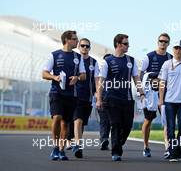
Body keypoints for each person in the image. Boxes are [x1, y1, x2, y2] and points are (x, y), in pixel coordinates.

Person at [96, 34, 144, 161]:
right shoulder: (108, 61)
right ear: (118, 44)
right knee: (115, 124)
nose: (128, 46)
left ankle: (117, 143)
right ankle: (116, 152)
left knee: (127, 126)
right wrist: (99, 99)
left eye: (128, 43)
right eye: (126, 43)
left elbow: (136, 78)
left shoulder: (131, 61)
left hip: (127, 99)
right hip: (111, 98)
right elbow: (101, 81)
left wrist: (141, 92)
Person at [42, 30, 86, 161]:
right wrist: (54, 77)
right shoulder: (54, 55)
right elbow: (44, 73)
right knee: (57, 117)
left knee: (65, 124)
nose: (77, 41)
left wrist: (77, 78)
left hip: (71, 94)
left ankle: (61, 150)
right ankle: (55, 147)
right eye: (74, 39)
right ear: (67, 40)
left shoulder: (78, 58)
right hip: (57, 92)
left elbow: (84, 75)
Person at [140, 33, 172, 158]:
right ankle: (146, 146)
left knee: (167, 121)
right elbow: (140, 74)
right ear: (157, 42)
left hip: (166, 94)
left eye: (165, 41)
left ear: (168, 44)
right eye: (161, 41)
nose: (163, 43)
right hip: (150, 94)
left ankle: (167, 148)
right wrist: (142, 90)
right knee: (148, 120)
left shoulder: (170, 58)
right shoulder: (149, 56)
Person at [71, 38, 100, 158]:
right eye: (82, 45)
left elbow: (97, 80)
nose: (84, 48)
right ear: (78, 46)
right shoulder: (73, 60)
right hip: (74, 96)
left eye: (87, 46)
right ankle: (78, 145)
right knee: (77, 120)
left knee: (81, 122)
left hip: (87, 97)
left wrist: (98, 94)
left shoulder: (94, 62)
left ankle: (75, 141)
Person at [97, 54, 111, 151]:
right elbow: (96, 85)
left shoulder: (117, 73)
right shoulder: (99, 73)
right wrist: (98, 99)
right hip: (102, 99)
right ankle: (104, 140)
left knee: (112, 122)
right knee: (104, 121)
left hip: (114, 99)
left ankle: (113, 140)